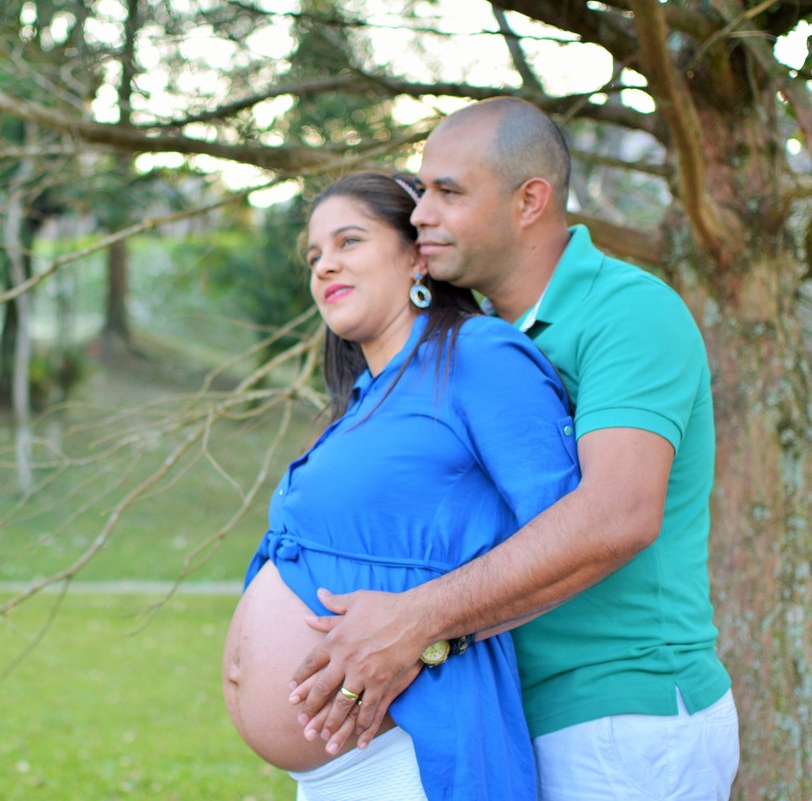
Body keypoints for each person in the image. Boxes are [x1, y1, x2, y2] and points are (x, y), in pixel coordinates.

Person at [289, 98, 739, 800]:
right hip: (508, 713)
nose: (419, 214)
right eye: (421, 191)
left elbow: (618, 513)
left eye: (448, 192)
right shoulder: (471, 344)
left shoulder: (627, 310)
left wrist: (414, 621)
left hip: (617, 714)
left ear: (529, 200)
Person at [222, 170, 582, 800]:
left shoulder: (479, 354)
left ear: (417, 256)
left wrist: (431, 632)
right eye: (314, 256)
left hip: (412, 750)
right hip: (337, 770)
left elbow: (571, 535)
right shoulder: (367, 400)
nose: (324, 266)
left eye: (349, 242)